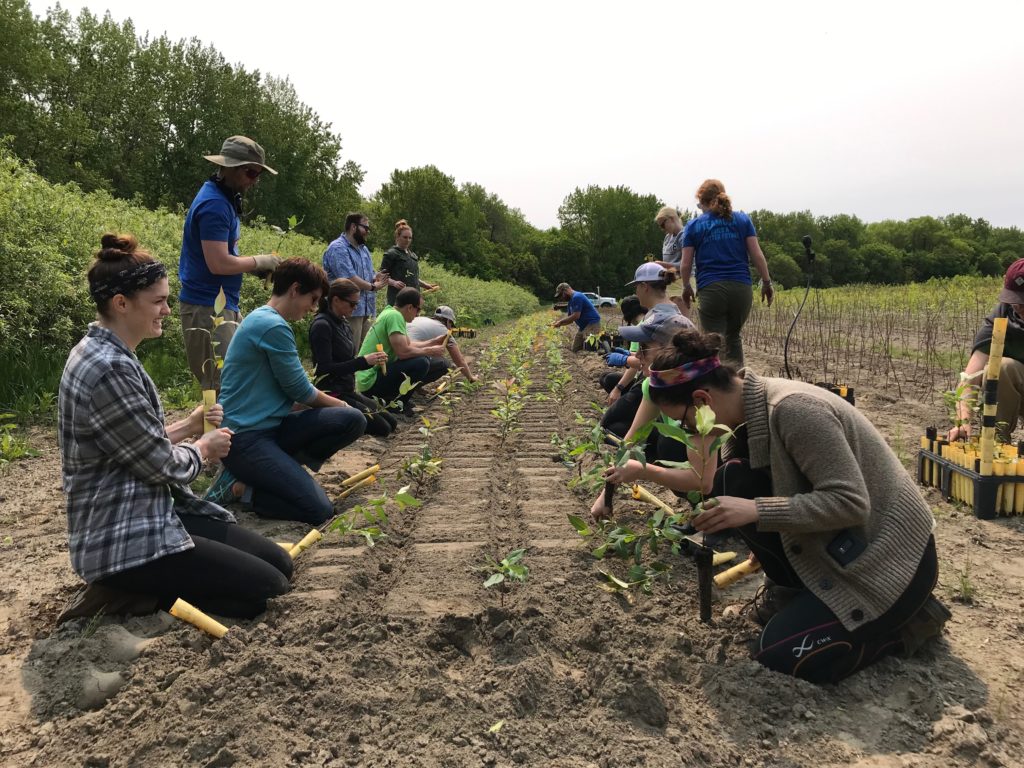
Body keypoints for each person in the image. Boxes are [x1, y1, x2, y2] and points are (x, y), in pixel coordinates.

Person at [598, 327, 949, 684]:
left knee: (780, 656)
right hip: (846, 543)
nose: (687, 429)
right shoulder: (745, 414)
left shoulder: (793, 410)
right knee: (731, 479)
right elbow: (714, 482)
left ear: (702, 400)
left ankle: (909, 625)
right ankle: (793, 589)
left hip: (891, 561)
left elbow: (851, 503)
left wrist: (755, 512)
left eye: (685, 421)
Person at [59, 234, 292, 621]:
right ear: (121, 303)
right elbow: (161, 466)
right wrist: (204, 448)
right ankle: (126, 593)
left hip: (148, 507)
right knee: (266, 592)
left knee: (278, 563)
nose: (167, 310)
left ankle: (146, 587)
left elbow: (132, 444)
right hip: (123, 536)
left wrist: (187, 426)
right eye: (158, 301)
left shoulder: (104, 353)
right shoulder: (109, 368)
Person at [213, 259, 367, 524]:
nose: (313, 308)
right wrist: (341, 405)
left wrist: (344, 410)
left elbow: (288, 390)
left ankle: (281, 470)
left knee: (354, 420)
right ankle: (240, 488)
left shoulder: (267, 319)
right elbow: (300, 390)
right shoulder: (271, 325)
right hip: (244, 438)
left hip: (273, 427)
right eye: (313, 298)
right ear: (295, 289)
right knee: (319, 511)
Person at [178, 136, 284, 391]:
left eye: (258, 174)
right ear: (229, 167)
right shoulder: (215, 204)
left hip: (223, 304)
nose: (254, 180)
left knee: (237, 377)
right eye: (250, 173)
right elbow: (218, 264)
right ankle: (215, 432)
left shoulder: (224, 199)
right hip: (208, 308)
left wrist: (253, 267)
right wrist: (259, 261)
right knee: (219, 387)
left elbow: (225, 256)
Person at [679, 179, 774, 367]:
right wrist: (766, 282)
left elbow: (685, 264)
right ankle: (739, 385)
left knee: (714, 342)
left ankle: (719, 387)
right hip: (741, 288)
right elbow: (756, 254)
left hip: (711, 288)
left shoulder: (694, 225)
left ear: (702, 200)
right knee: (733, 337)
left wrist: (686, 286)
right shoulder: (742, 220)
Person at [309, 279, 397, 437]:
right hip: (333, 392)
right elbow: (324, 368)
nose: (355, 308)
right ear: (336, 300)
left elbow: (348, 360)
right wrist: (363, 362)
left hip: (348, 389)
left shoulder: (342, 322)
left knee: (392, 422)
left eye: (357, 303)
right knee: (383, 428)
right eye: (352, 304)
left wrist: (370, 362)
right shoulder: (322, 326)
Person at [949, 258, 1024, 443]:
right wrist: (963, 420)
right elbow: (970, 377)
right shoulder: (1002, 316)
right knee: (1002, 367)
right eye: (1016, 302)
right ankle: (997, 444)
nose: (1019, 308)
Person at [356, 287, 448, 417]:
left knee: (425, 360)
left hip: (373, 377)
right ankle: (397, 404)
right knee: (421, 362)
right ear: (410, 307)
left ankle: (396, 399)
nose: (418, 314)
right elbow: (403, 352)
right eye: (418, 309)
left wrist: (433, 342)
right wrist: (430, 351)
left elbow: (408, 344)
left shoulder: (391, 313)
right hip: (370, 380)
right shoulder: (395, 317)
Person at [322, 213, 388, 347]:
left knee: (367, 353)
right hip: (348, 310)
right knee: (349, 353)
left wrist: (376, 276)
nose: (367, 232)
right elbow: (349, 278)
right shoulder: (338, 248)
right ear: (353, 227)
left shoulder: (363, 250)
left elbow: (368, 274)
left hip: (367, 310)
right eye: (365, 228)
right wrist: (373, 287)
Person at [407, 305, 478, 383]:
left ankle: (413, 386)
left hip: (397, 359)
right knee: (444, 364)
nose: (450, 328)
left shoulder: (420, 319)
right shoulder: (443, 330)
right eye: (451, 325)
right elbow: (459, 360)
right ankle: (414, 387)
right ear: (448, 321)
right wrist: (471, 378)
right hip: (412, 360)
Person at [380, 219, 440, 306]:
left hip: (414, 300)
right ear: (397, 237)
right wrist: (394, 283)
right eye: (405, 237)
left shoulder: (413, 256)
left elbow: (413, 277)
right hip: (398, 300)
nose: (407, 240)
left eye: (410, 238)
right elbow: (381, 276)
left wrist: (425, 285)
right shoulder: (391, 254)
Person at [599, 295, 645, 395]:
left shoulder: (638, 330)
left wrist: (618, 388)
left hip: (645, 381)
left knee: (609, 379)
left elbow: (634, 367)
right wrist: (628, 354)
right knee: (604, 376)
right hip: (649, 378)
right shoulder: (648, 322)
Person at [552, 282, 602, 353]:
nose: (561, 298)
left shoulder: (577, 297)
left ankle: (594, 358)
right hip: (583, 327)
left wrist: (560, 322)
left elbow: (576, 316)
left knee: (590, 348)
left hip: (592, 324)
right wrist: (559, 324)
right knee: (575, 349)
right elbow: (570, 320)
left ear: (566, 290)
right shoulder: (570, 302)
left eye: (561, 295)